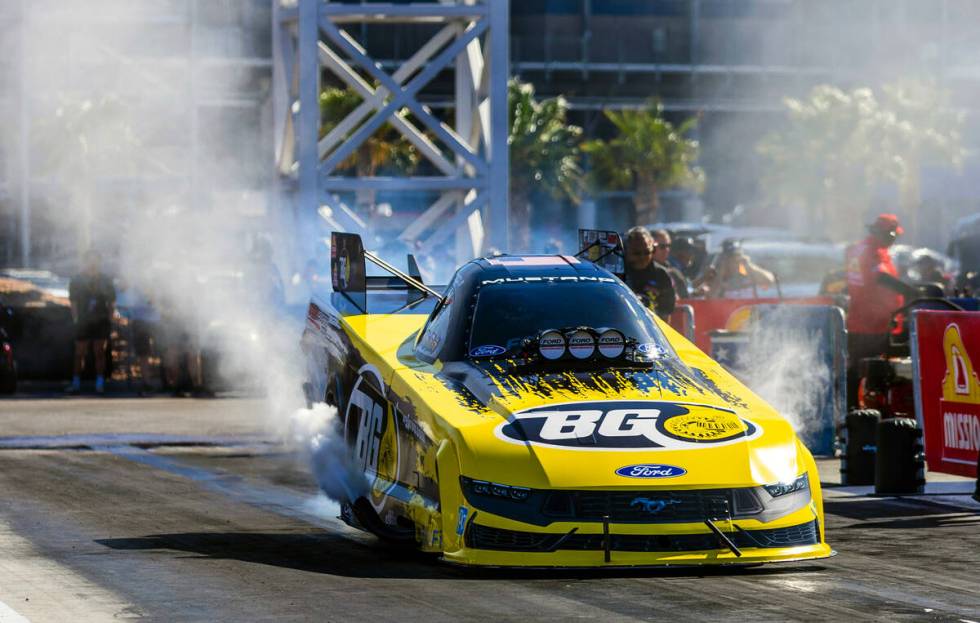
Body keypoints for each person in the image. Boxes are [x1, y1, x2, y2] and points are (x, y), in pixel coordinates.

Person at [845, 213, 916, 408]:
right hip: (871, 322)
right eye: (892, 236)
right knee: (869, 369)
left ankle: (856, 408)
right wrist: (910, 291)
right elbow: (880, 278)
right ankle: (861, 410)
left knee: (859, 369)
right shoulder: (872, 252)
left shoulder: (862, 250)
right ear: (886, 234)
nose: (893, 241)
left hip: (869, 319)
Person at [67, 250, 116, 394]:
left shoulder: (106, 280)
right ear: (85, 262)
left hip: (101, 321)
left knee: (99, 352)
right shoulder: (76, 280)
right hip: (83, 321)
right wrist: (76, 319)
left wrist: (110, 319)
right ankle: (76, 384)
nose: (92, 264)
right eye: (90, 260)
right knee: (79, 353)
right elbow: (73, 303)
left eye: (95, 260)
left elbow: (112, 303)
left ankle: (99, 384)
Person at [624, 226, 676, 320]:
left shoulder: (661, 275)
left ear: (653, 250)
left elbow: (666, 312)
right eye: (637, 253)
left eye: (647, 252)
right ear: (626, 251)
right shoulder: (617, 273)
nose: (642, 257)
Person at [705, 239, 775, 298]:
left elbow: (769, 280)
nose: (735, 261)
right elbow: (710, 297)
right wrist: (721, 272)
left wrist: (749, 266)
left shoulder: (746, 272)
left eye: (738, 256)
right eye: (731, 258)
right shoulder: (714, 275)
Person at [651, 229, 690, 299]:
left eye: (668, 246)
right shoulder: (641, 272)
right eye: (662, 246)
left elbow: (686, 299)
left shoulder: (674, 273)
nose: (666, 250)